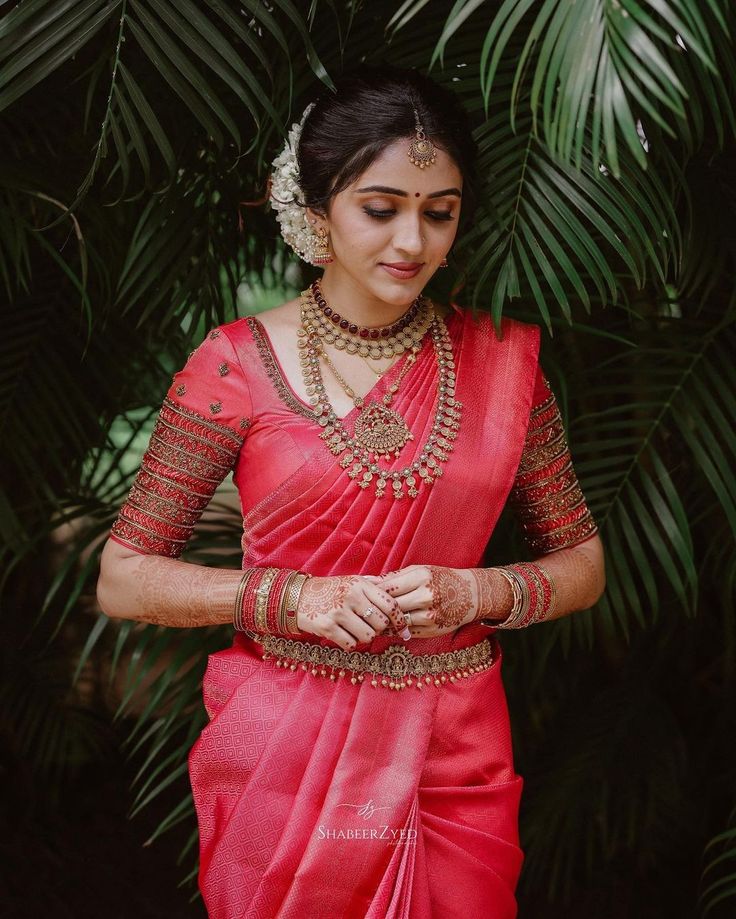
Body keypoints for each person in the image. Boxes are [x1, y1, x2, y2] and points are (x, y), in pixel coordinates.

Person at [96, 64, 605, 919]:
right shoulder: (235, 366)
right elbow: (123, 576)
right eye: (381, 207)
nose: (413, 241)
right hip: (287, 751)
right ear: (318, 204)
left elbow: (583, 562)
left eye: (438, 212)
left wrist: (479, 589)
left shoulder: (504, 367)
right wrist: (296, 598)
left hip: (456, 748)